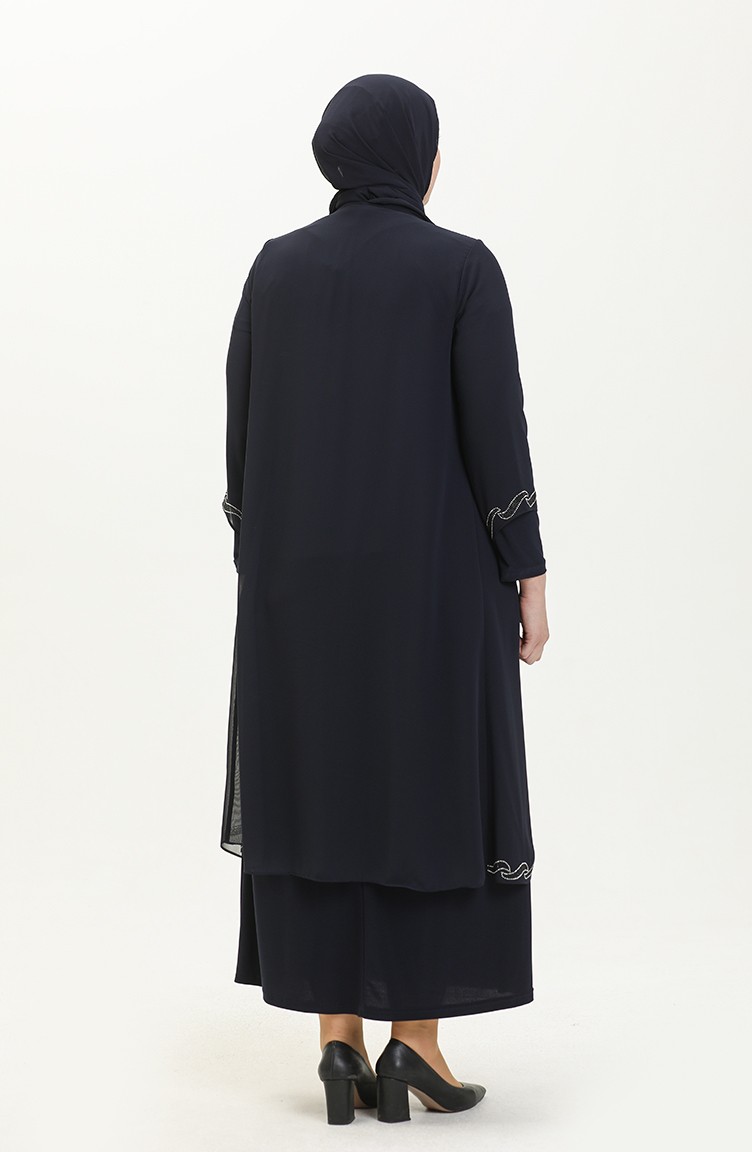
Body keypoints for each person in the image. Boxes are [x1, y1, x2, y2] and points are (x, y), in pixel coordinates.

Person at [220, 73, 550, 1125]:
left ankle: (336, 1045)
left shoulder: (274, 268)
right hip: (431, 589)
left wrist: (274, 563)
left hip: (294, 593)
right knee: (428, 792)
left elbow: (241, 445)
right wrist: (527, 568)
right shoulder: (459, 268)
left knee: (322, 789)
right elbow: (495, 432)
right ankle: (417, 1043)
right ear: (418, 158)